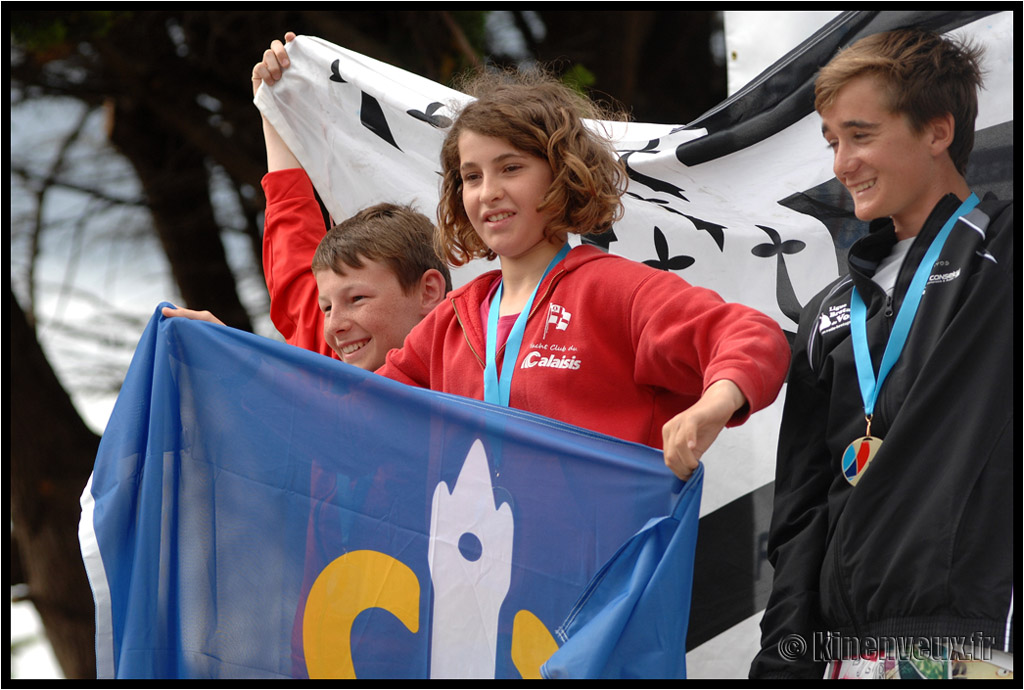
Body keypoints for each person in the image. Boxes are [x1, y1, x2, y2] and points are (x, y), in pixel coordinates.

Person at [375, 68, 791, 480]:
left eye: (511, 168)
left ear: (562, 175)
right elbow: (359, 410)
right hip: (477, 543)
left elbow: (754, 336)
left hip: (607, 545)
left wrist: (712, 405)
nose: (488, 191)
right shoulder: (451, 320)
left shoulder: (614, 291)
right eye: (471, 176)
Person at [751, 29, 1014, 679]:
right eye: (833, 142)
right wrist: (784, 658)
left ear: (937, 132)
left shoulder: (1003, 259)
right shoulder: (829, 314)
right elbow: (801, 516)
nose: (842, 164)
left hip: (982, 644)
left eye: (861, 135)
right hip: (850, 654)